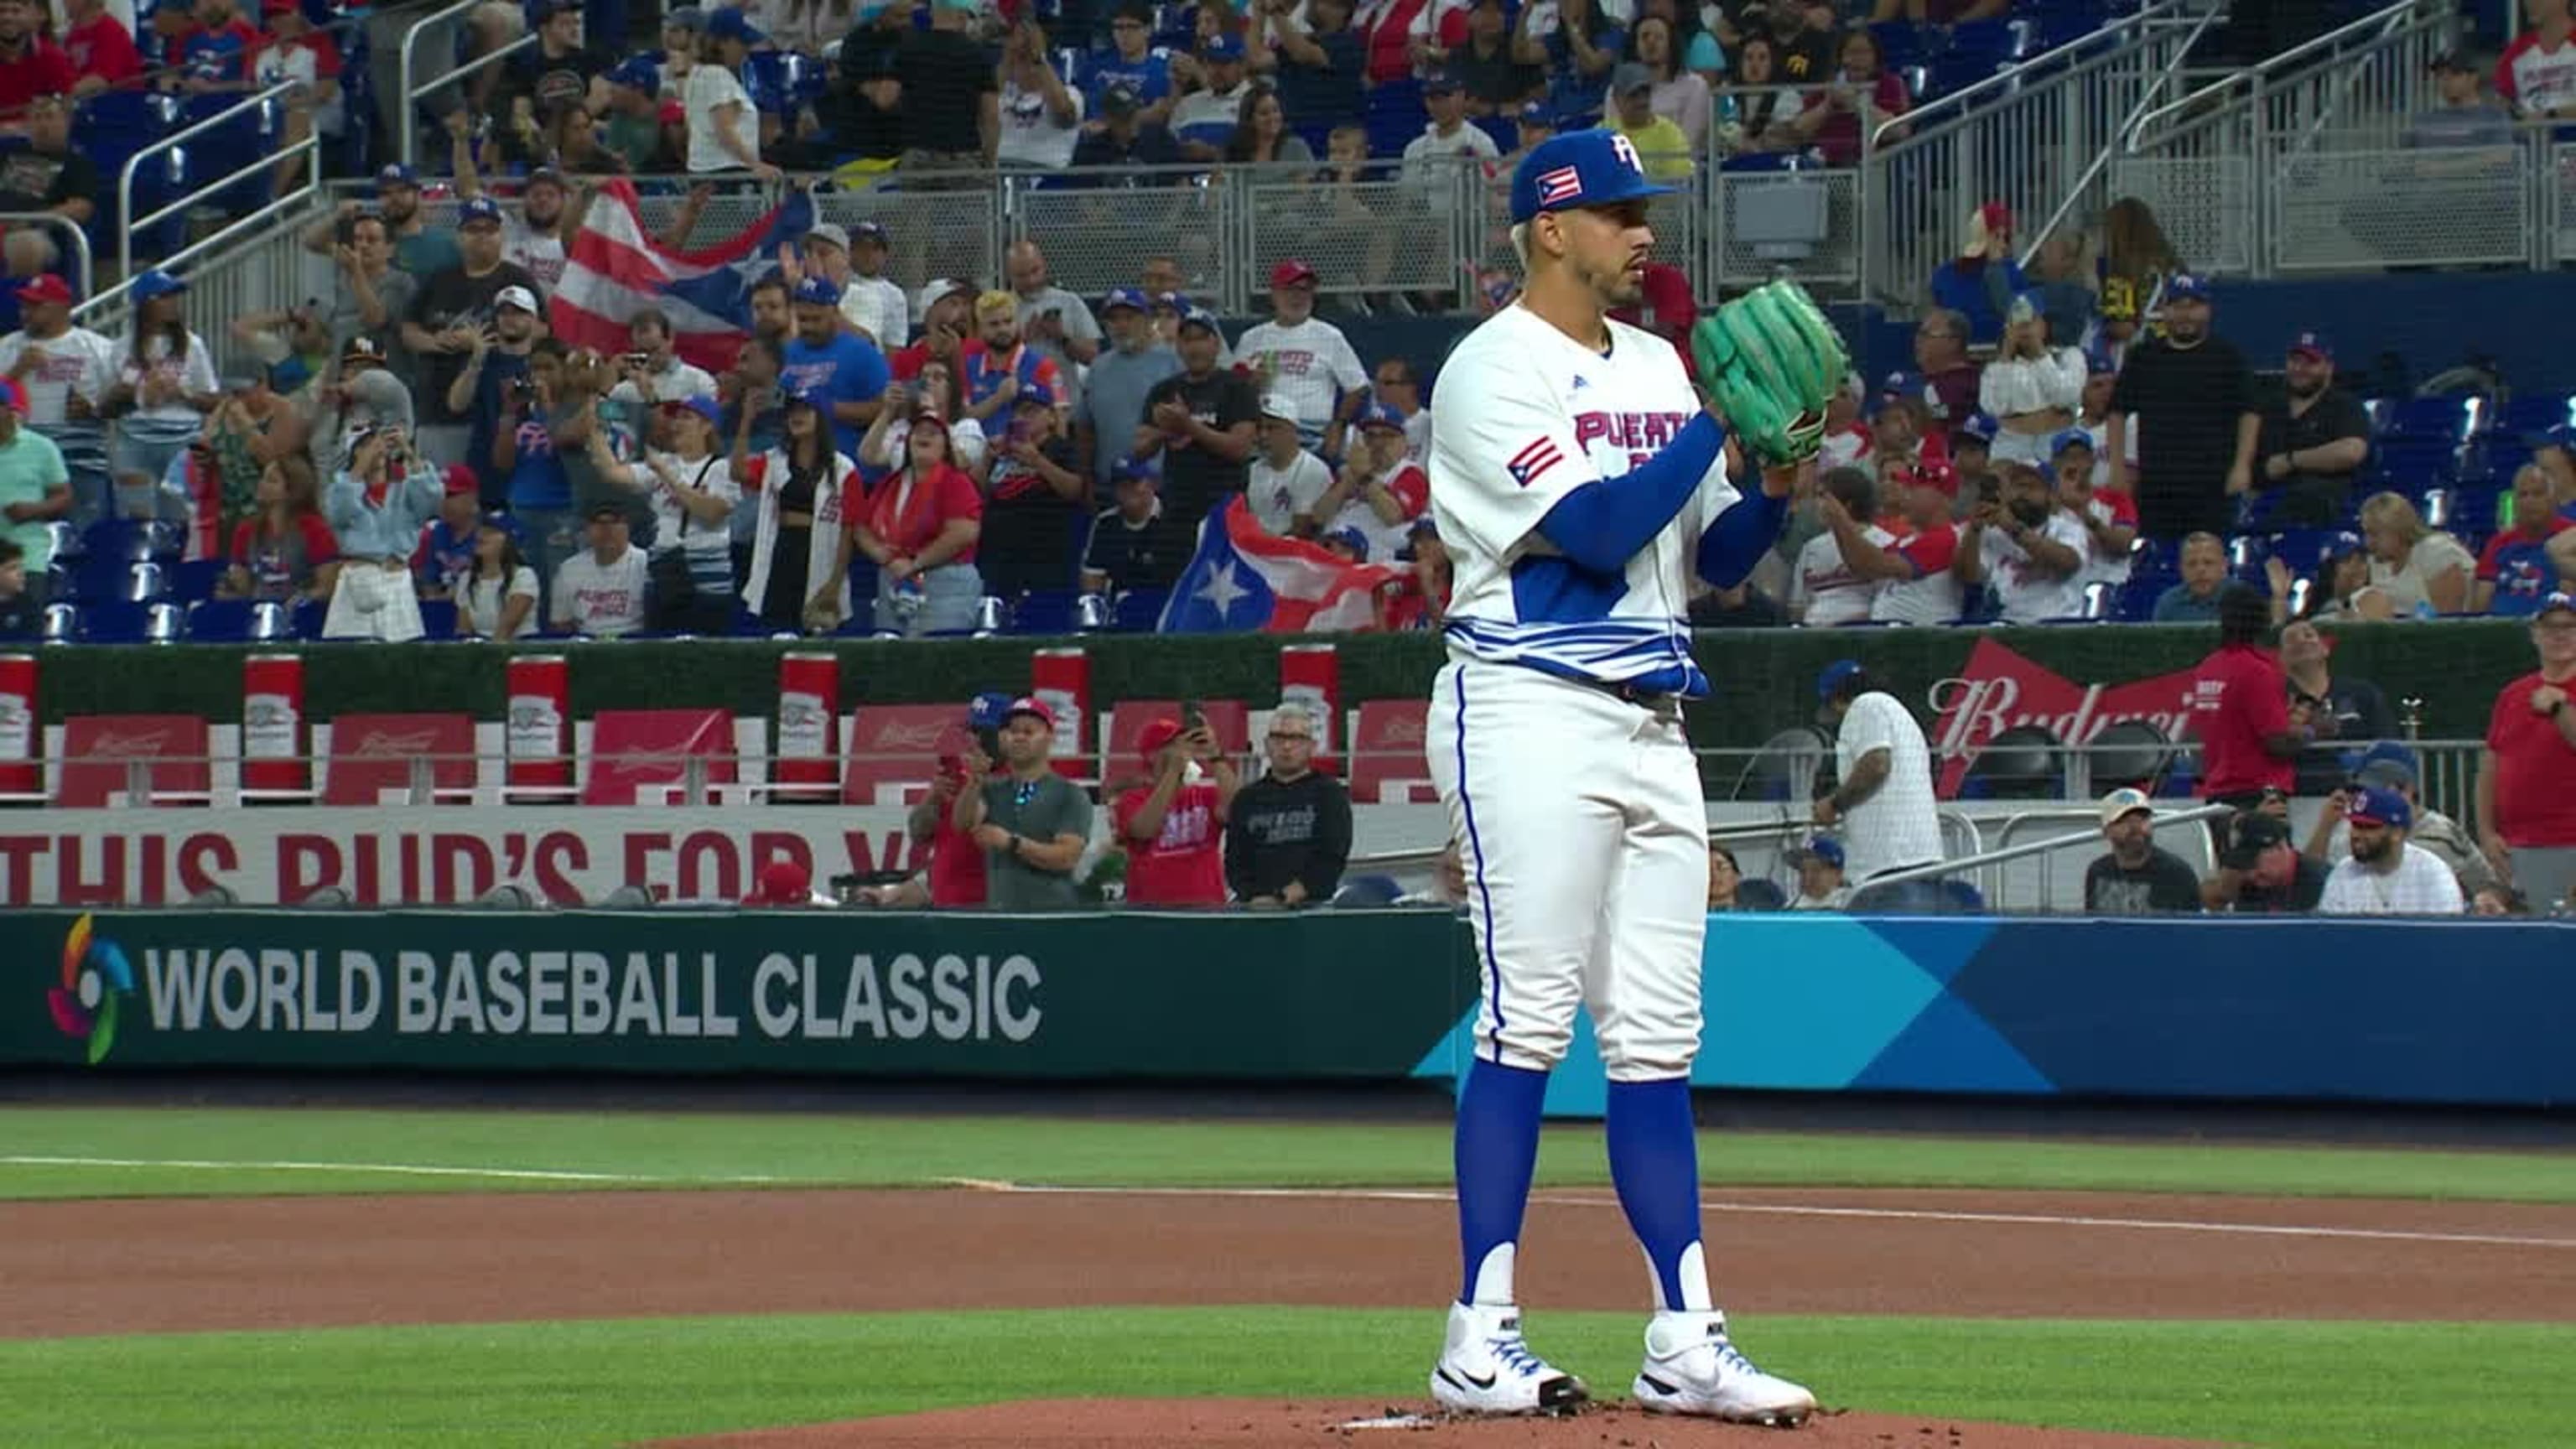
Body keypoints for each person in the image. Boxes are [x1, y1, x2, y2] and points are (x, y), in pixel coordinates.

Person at [1420, 129, 1811, 1426]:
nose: (1644, 231)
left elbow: (1716, 561)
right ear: (1549, 227)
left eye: (1647, 211)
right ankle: (1479, 1335)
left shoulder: (1650, 360)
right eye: (1621, 211)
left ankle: (1687, 1341)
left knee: (1657, 1043)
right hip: (1526, 704)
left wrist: (1783, 476)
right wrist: (1713, 428)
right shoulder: (1487, 374)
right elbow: (1590, 536)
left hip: (1654, 718)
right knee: (1526, 1022)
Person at [2105, 273, 2257, 542]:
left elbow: (2249, 413)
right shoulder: (2143, 357)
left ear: (2208, 310)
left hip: (2214, 487)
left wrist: (2242, 466)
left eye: (2193, 306)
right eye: (2177, 306)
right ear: (2164, 310)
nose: (2185, 315)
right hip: (2157, 488)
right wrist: (2116, 468)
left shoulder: (2228, 357)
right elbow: (2117, 412)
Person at [2476, 590, 2576, 914]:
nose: (2559, 634)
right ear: (2534, 635)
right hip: (2516, 845)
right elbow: (2490, 768)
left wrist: (2560, 707)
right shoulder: (2512, 695)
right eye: (2550, 627)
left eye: (2569, 626)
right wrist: (2487, 832)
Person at [1813, 659, 1943, 897]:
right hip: (1913, 859)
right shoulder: (1895, 712)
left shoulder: (1866, 706)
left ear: (1835, 700)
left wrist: (1833, 804)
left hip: (1891, 863)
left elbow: (1876, 765)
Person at [850, 409, 984, 637]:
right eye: (919, 432)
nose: (925, 436)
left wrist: (915, 563)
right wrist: (882, 554)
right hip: (894, 582)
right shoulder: (889, 484)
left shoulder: (956, 482)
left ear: (946, 446)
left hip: (944, 584)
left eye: (933, 433)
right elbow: (861, 526)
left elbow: (964, 532)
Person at [951, 697, 1094, 909]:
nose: (1018, 737)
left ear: (1049, 737)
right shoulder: (991, 790)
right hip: (1001, 920)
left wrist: (1012, 843)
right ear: (1001, 737)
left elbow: (1067, 857)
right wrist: (974, 781)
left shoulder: (1070, 794)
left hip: (1052, 919)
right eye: (1012, 731)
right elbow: (962, 824)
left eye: (1028, 732)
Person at [738, 388, 861, 633]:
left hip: (819, 554)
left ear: (822, 417)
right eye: (792, 411)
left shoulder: (844, 468)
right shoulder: (775, 460)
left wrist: (835, 583)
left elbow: (849, 531)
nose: (797, 416)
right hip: (780, 552)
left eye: (805, 410)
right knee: (777, 632)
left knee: (814, 634)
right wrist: (746, 421)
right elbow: (738, 473)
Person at [104, 271, 219, 520]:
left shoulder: (192, 344)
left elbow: (214, 401)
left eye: (173, 296)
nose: (172, 303)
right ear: (145, 303)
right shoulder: (121, 347)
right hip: (134, 439)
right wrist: (138, 394)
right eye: (164, 297)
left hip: (181, 439)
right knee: (136, 515)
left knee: (180, 516)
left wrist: (181, 393)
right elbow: (107, 408)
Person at [1134, 306, 1259, 531]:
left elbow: (1240, 448)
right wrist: (1165, 432)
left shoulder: (1236, 387)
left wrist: (1189, 426)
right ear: (1179, 347)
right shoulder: (1164, 390)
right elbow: (1140, 449)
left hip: (1225, 506)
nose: (1195, 347)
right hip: (1177, 506)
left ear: (1216, 344)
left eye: (1202, 339)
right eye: (1187, 340)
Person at [2188, 584, 2303, 813]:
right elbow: (2277, 744)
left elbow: (2198, 736)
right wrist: (2308, 733)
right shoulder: (2257, 671)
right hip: (2258, 795)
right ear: (2262, 620)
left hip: (2216, 796)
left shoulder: (2207, 668)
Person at [1225, 703, 1353, 906]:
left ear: (1311, 745)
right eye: (1279, 738)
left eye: (1296, 738)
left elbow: (1333, 855)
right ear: (1267, 744)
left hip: (1312, 908)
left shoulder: (1330, 794)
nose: (1286, 746)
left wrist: (1289, 895)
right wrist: (1254, 897)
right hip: (1255, 908)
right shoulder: (1246, 799)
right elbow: (1235, 861)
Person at [632, 396, 740, 635]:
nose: (676, 423)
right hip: (665, 574)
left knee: (707, 655)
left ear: (707, 426)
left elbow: (711, 513)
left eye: (686, 417)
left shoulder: (722, 468)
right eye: (675, 417)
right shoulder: (666, 461)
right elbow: (614, 474)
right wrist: (595, 432)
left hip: (709, 580)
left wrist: (666, 474)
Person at [321, 428, 442, 641]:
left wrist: (410, 453)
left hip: (398, 582)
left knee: (401, 661)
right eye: (365, 445)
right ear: (353, 453)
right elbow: (339, 513)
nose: (375, 450)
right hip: (358, 584)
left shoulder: (405, 491)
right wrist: (360, 467)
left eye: (377, 444)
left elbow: (431, 500)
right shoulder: (340, 489)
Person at [1114, 715, 1239, 906]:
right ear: (1152, 755)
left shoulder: (1205, 795)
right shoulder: (1132, 799)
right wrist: (1173, 771)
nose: (1182, 750)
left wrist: (1215, 755)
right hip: (1152, 913)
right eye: (1172, 744)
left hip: (1206, 909)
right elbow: (1144, 830)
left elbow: (1236, 810)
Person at [1955, 462, 2088, 624]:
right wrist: (1974, 531)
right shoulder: (1991, 531)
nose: (2023, 492)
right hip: (2004, 628)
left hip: (2059, 628)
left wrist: (2013, 528)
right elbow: (1968, 577)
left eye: (2031, 487)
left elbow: (2068, 562)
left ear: (2051, 495)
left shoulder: (2068, 527)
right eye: (2017, 486)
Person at [2316, 787, 2465, 915]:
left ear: (2397, 833)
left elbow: (2446, 938)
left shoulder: (2433, 872)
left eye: (2369, 828)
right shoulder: (2343, 872)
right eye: (2356, 825)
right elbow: (2330, 937)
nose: (2356, 834)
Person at [1978, 293, 2085, 468]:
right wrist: (2006, 356)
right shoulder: (1995, 368)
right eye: (2017, 322)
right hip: (2011, 446)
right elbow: (1995, 407)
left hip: (2058, 442)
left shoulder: (2069, 356)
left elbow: (2065, 397)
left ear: (2044, 324)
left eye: (2030, 321)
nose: (2024, 328)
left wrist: (2039, 352)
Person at [221, 455, 336, 602]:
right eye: (263, 478)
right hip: (258, 612)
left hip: (301, 614)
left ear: (293, 490)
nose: (261, 484)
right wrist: (230, 587)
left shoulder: (315, 529)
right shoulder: (246, 530)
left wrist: (301, 600)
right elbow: (241, 585)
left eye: (271, 481)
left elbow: (328, 587)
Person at [2083, 787, 2202, 914]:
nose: (2136, 827)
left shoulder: (2177, 873)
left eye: (2142, 819)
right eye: (2124, 821)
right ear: (2106, 831)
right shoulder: (2098, 871)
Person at [2358, 490, 2475, 618]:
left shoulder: (2437, 552)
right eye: (2366, 533)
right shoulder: (2376, 560)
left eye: (2375, 534)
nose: (2368, 542)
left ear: (2399, 530)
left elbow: (2448, 620)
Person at [2478, 465, 2574, 615]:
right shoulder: (2498, 544)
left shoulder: (2569, 539)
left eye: (2538, 494)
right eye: (2523, 495)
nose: (2529, 501)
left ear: (2554, 499)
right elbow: (2480, 603)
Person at [549, 499, 649, 636]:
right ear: (586, 530)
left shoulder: (646, 564)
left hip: (636, 640)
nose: (607, 529)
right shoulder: (569, 569)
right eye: (598, 523)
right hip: (587, 643)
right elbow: (561, 623)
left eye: (614, 522)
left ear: (628, 528)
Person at [2205, 808, 2328, 913]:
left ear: (2280, 847)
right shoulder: (2250, 884)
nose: (2251, 874)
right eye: (2244, 865)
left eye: (2254, 861)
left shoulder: (2322, 883)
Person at [1248, 392, 1335, 536]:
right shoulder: (1253, 469)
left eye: (1272, 428)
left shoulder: (1312, 470)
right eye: (1259, 428)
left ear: (1292, 430)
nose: (1263, 435)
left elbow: (1302, 531)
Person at [453, 511, 539, 640]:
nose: (480, 536)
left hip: (519, 648)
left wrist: (490, 658)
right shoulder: (466, 578)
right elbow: (464, 630)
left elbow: (507, 627)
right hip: (481, 648)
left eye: (490, 532)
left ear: (509, 541)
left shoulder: (524, 576)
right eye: (480, 531)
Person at [2152, 531, 2229, 623]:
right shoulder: (2168, 604)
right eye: (2192, 564)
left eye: (2208, 562)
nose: (2200, 570)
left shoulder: (2245, 602)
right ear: (2181, 568)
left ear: (2224, 566)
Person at [1785, 835, 1846, 910]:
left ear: (1837, 874)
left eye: (1816, 870)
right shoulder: (1789, 910)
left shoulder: (1852, 908)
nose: (1808, 878)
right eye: (1803, 871)